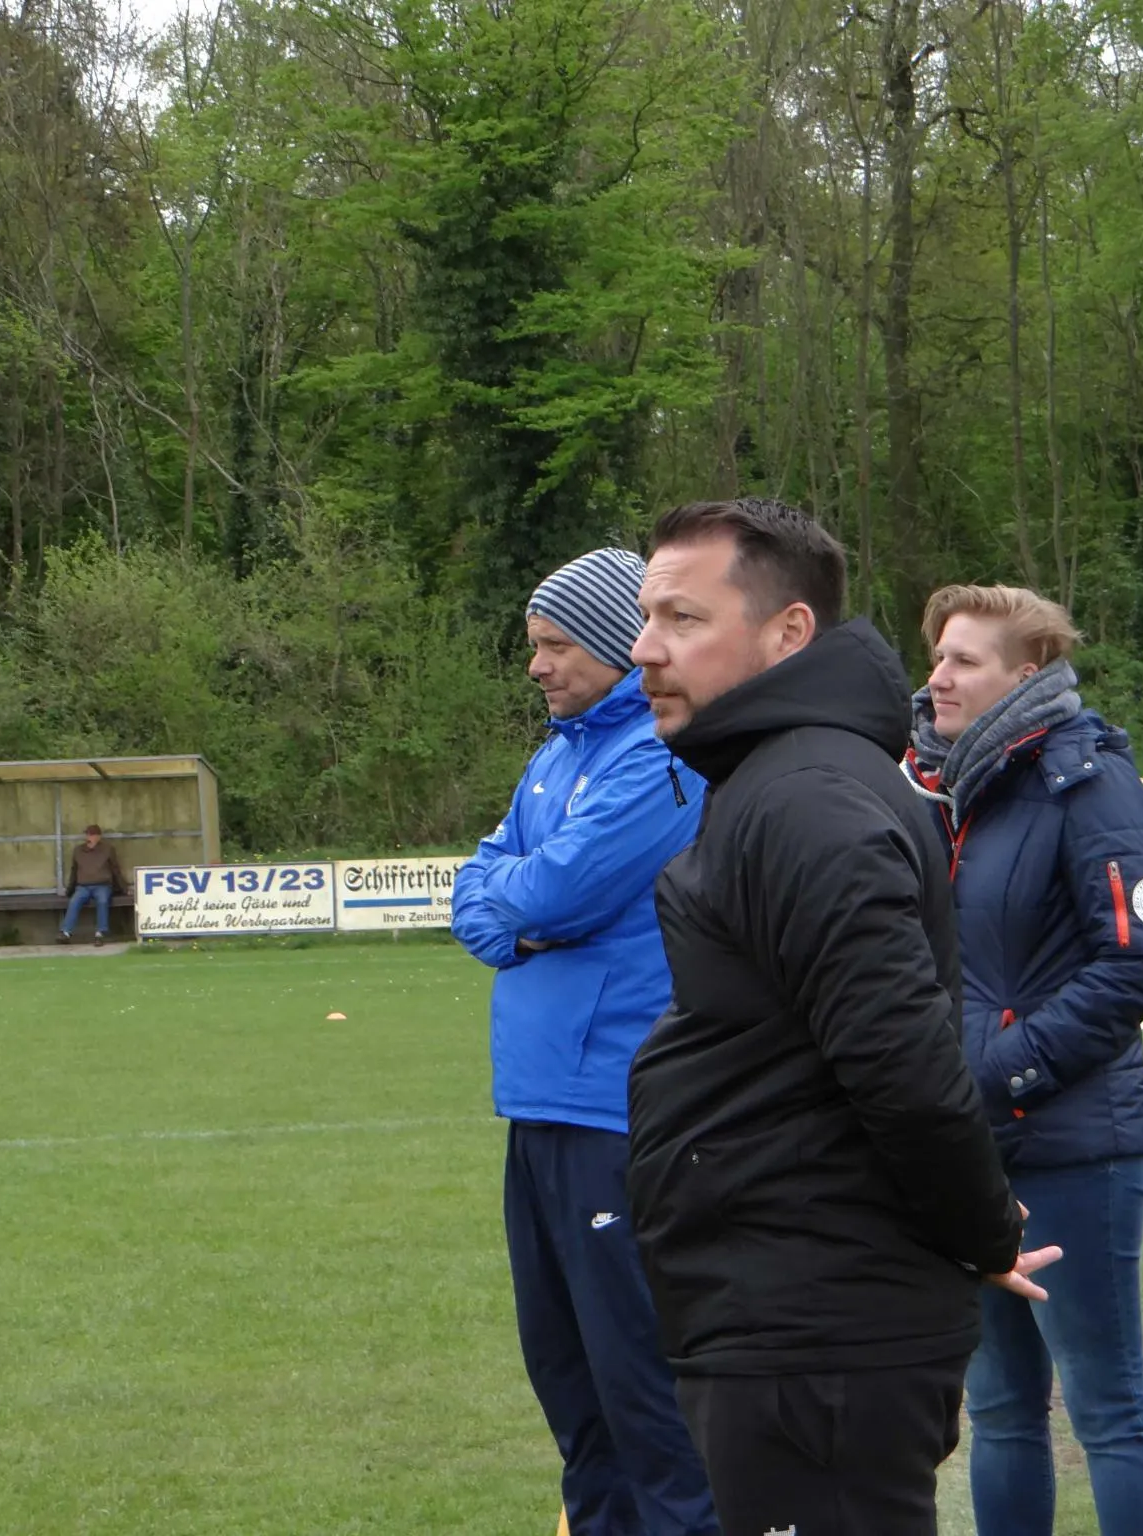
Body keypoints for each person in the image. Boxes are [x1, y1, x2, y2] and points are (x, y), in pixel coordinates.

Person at [623, 498, 1059, 1536]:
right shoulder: (772, 780)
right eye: (645, 619)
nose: (644, 649)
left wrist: (979, 1227)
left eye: (683, 619)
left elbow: (902, 1064)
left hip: (815, 1330)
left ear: (788, 633)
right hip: (784, 1309)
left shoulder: (806, 799)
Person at [449, 548, 718, 1536]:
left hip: (616, 1109)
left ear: (613, 644)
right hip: (536, 1104)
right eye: (534, 645)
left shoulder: (659, 757)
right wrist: (513, 914)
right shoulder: (555, 755)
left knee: (644, 1401)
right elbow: (476, 891)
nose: (537, 666)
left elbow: (554, 892)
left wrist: (518, 911)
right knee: (573, 1397)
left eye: (556, 645)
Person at [906, 584, 1143, 1536]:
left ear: (1027, 674)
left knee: (1108, 1409)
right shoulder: (934, 787)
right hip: (963, 1146)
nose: (937, 678)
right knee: (998, 1412)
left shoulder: (1090, 781)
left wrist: (999, 1072)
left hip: (1074, 1146)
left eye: (964, 661)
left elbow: (1139, 961)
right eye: (937, 657)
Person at [59, 824, 125, 944]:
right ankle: (66, 932)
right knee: (74, 901)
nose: (89, 837)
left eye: (92, 835)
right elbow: (74, 871)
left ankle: (100, 933)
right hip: (83, 886)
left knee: (102, 900)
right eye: (88, 835)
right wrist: (69, 890)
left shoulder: (108, 849)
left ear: (98, 837)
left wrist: (123, 888)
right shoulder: (78, 851)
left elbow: (115, 869)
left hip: (102, 885)